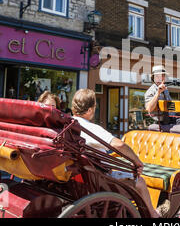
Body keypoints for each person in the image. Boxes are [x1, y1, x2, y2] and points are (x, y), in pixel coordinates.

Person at [71, 89, 167, 218]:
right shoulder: (91, 128)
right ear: (89, 110)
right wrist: (137, 161)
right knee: (140, 182)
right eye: (94, 107)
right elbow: (119, 144)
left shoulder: (67, 125)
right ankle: (153, 215)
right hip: (99, 181)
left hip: (77, 179)